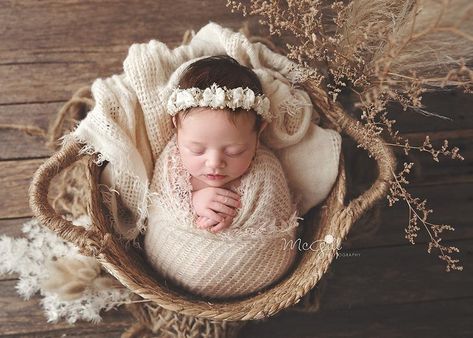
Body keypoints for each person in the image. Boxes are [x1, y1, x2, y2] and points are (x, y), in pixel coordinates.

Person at [144, 55, 298, 298]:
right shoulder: (172, 162)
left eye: (235, 151)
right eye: (196, 149)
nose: (214, 163)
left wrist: (234, 217)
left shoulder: (265, 169)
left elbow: (274, 215)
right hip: (173, 256)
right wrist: (193, 202)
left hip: (252, 268)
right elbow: (160, 202)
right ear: (176, 126)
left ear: (259, 133)